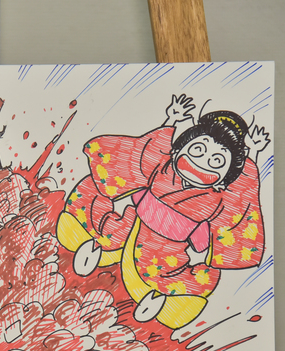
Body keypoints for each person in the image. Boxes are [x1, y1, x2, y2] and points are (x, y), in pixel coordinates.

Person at [57, 94, 270, 329]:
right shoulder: (163, 163)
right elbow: (150, 150)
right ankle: (93, 249)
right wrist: (173, 119)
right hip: (135, 220)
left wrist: (253, 153)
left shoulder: (219, 198)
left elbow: (242, 192)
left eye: (217, 161)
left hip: (167, 247)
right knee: (106, 225)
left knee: (166, 274)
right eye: (198, 149)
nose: (201, 163)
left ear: (223, 180)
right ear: (178, 151)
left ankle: (158, 298)